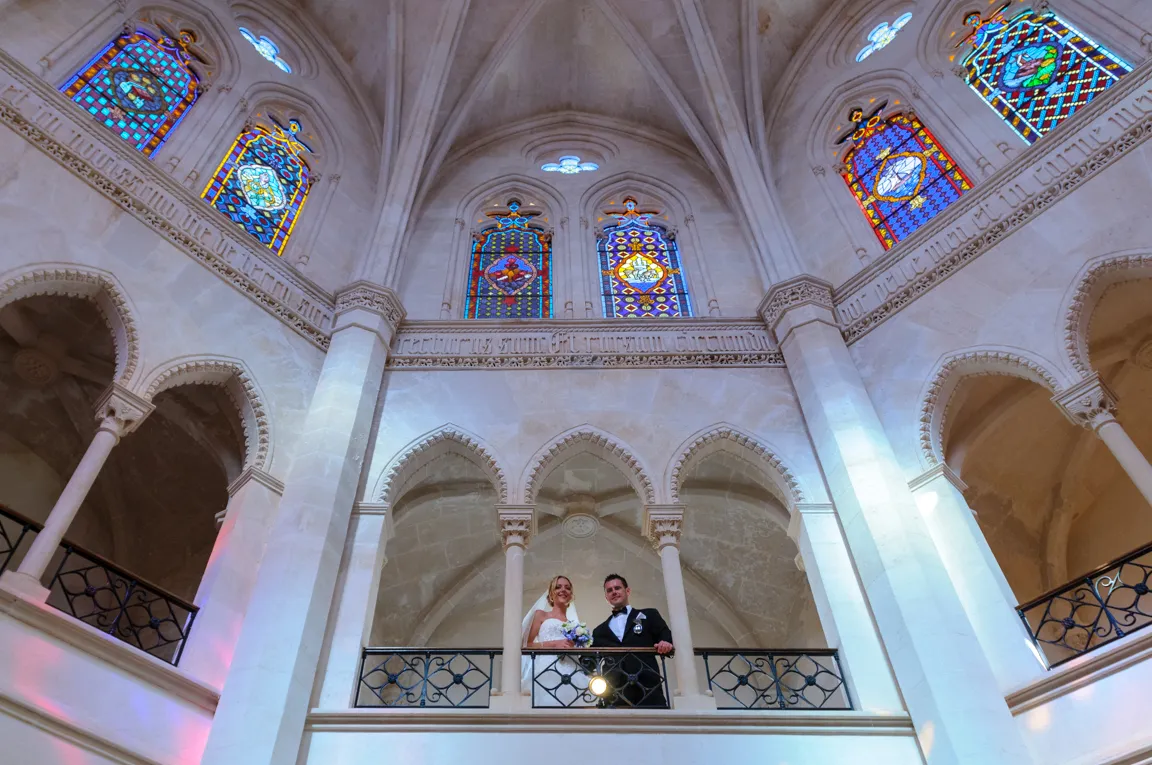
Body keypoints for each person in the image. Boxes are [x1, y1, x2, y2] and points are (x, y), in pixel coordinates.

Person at [591, 573, 674, 707]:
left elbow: (665, 634)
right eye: (609, 590)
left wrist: (665, 642)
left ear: (627, 591)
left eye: (617, 588)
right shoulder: (600, 630)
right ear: (606, 597)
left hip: (647, 686)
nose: (614, 592)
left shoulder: (649, 615)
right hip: (614, 692)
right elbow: (589, 659)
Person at [521, 575, 593, 707]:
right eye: (558, 587)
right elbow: (526, 646)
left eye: (567, 587)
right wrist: (554, 644)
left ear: (571, 594)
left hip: (571, 668)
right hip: (545, 669)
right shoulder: (541, 615)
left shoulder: (574, 624)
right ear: (551, 593)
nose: (563, 590)